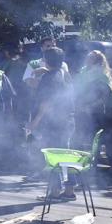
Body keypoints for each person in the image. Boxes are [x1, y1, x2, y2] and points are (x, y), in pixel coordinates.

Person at [26, 47, 75, 198]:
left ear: (46, 60)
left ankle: (55, 191)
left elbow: (46, 103)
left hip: (54, 123)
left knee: (53, 157)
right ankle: (69, 190)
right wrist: (44, 72)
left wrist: (34, 122)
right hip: (67, 120)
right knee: (65, 156)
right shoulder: (64, 74)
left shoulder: (49, 79)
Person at [73, 50, 112, 150]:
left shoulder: (102, 76)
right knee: (78, 139)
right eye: (88, 57)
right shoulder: (82, 72)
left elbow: (104, 97)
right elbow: (76, 90)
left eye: (91, 58)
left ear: (98, 61)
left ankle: (92, 163)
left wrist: (89, 107)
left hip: (95, 113)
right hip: (80, 112)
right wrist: (78, 105)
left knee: (92, 141)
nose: (88, 59)